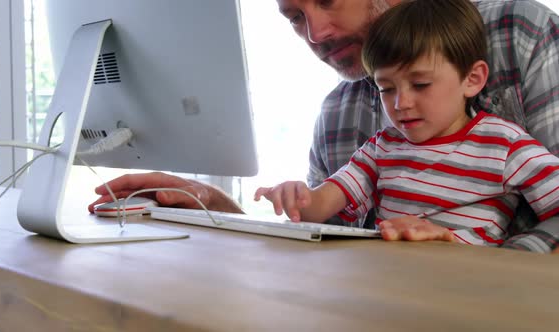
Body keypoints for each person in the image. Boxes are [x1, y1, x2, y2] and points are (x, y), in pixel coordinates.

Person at [89, 0, 559, 253]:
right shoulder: (346, 120)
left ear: (472, 79)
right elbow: (322, 237)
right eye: (294, 17)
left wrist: (473, 256)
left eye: (327, 0)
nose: (314, 34)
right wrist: (212, 206)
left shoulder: (518, 35)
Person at [254, 0, 559, 247]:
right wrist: (299, 198)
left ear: (473, 79)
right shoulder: (381, 147)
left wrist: (453, 242)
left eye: (422, 84)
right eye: (386, 89)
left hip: (476, 284)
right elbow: (324, 206)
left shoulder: (505, 145)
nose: (401, 104)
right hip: (390, 286)